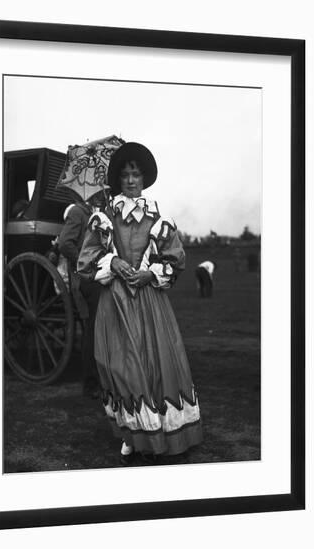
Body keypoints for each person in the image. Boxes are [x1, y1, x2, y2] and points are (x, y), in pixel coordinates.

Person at [77, 142, 202, 464]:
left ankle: (161, 432)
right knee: (120, 366)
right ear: (117, 180)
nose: (131, 180)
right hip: (116, 303)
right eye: (125, 175)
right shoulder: (103, 218)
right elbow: (86, 260)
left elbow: (175, 259)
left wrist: (151, 273)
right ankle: (132, 434)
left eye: (136, 174)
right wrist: (113, 262)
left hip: (149, 303)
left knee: (154, 364)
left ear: (144, 179)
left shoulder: (158, 219)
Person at [58, 191, 106, 398]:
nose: (104, 196)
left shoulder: (99, 214)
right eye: (100, 192)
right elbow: (65, 243)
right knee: (93, 327)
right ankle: (90, 383)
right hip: (83, 280)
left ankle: (104, 376)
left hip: (98, 276)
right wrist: (86, 261)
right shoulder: (78, 212)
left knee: (102, 326)